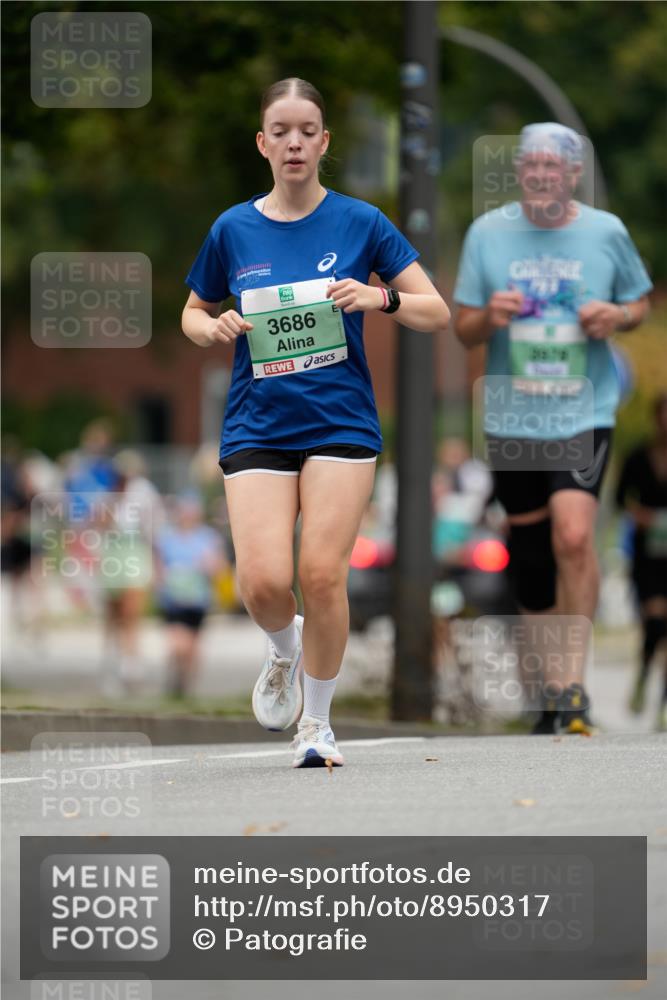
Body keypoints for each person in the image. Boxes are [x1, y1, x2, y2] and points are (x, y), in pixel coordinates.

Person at [182, 77, 449, 767]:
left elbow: (436, 310)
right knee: (264, 581)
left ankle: (317, 727)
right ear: (263, 143)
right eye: (282, 130)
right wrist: (213, 327)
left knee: (322, 573)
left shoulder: (360, 223)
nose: (294, 142)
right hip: (257, 423)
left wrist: (378, 295)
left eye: (307, 130)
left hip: (340, 423)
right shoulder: (232, 228)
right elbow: (190, 312)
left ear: (323, 142)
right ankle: (283, 648)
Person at [454, 123, 652, 735]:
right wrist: (491, 315)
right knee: (533, 554)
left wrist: (614, 315)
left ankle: (572, 685)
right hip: (513, 417)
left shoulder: (605, 232)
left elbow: (640, 302)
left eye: (554, 166)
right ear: (520, 172)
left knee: (573, 536)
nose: (542, 174)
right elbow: (463, 328)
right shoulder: (487, 235)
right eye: (531, 164)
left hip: (582, 411)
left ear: (573, 175)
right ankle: (547, 689)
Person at [616, 393, 667, 731]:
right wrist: (642, 516)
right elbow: (621, 498)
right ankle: (644, 675)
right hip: (648, 556)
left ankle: (662, 705)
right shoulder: (638, 456)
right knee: (656, 622)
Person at [155, 493, 225, 698]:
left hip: (197, 600)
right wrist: (161, 581)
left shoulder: (208, 537)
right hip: (173, 599)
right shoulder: (167, 537)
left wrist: (209, 565)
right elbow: (159, 565)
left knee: (193, 648)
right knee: (178, 646)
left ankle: (186, 686)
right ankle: (175, 679)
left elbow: (219, 567)